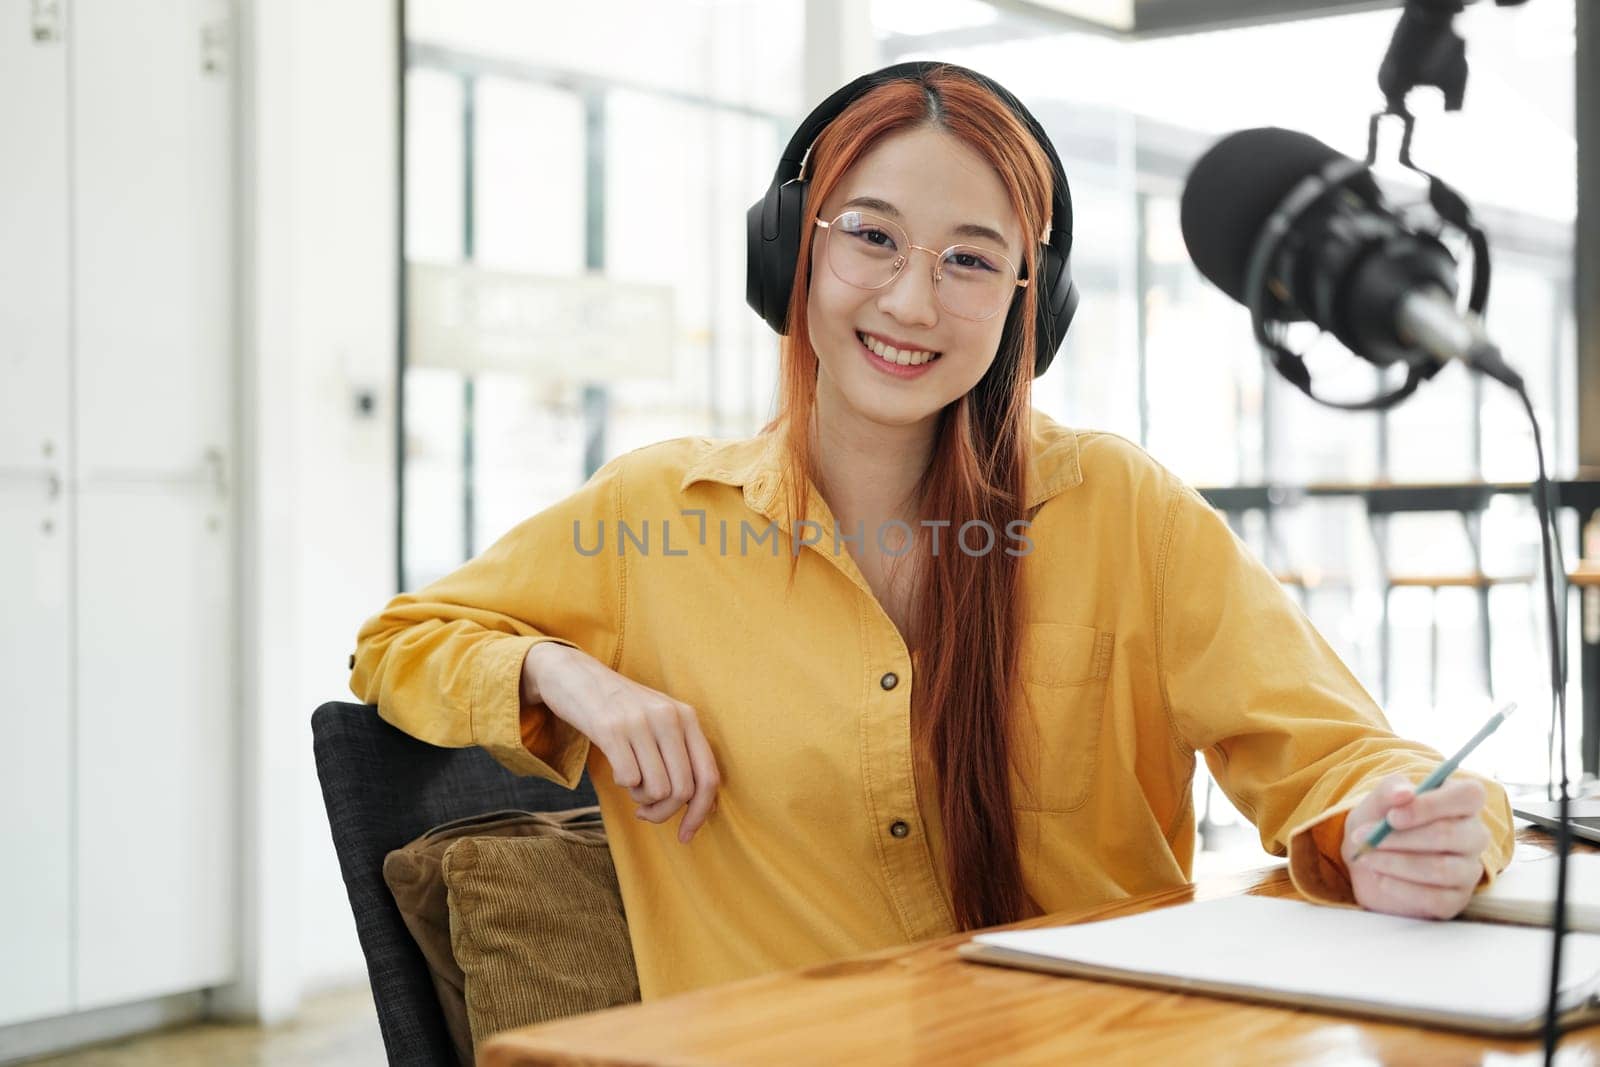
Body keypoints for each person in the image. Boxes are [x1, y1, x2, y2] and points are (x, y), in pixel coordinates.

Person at [350, 61, 1513, 1001]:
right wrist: (567, 675)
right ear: (790, 251)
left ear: (1026, 300)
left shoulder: (1121, 509)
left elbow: (1341, 758)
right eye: (870, 237)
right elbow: (398, 641)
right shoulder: (656, 514)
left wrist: (1409, 825)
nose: (912, 301)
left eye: (970, 259)